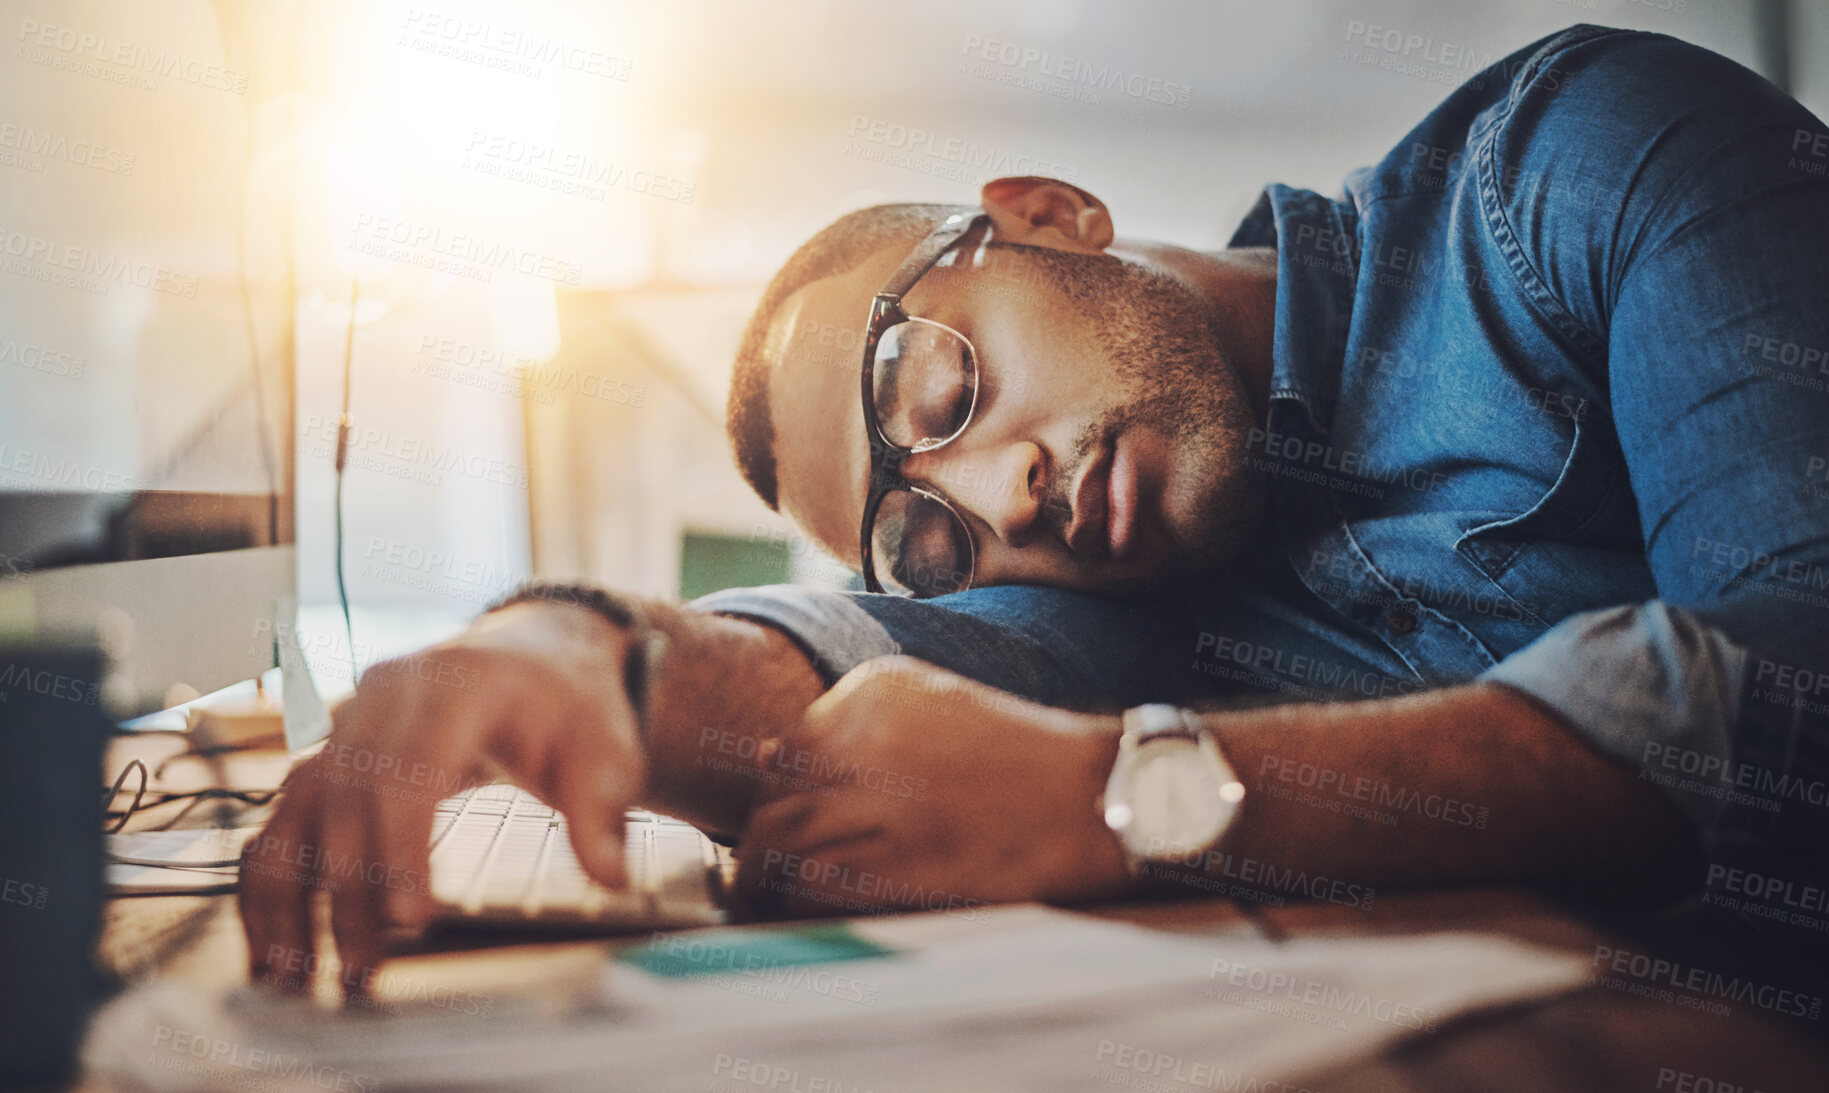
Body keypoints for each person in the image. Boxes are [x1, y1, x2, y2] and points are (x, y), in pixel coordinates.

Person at [240, 24, 1829, 995]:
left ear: (1047, 218)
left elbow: (1804, 685)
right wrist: (560, 651)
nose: (1005, 496)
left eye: (933, 389)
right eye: (930, 533)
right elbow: (817, 660)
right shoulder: (1115, 605)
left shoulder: (1582, 163)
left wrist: (1131, 793)